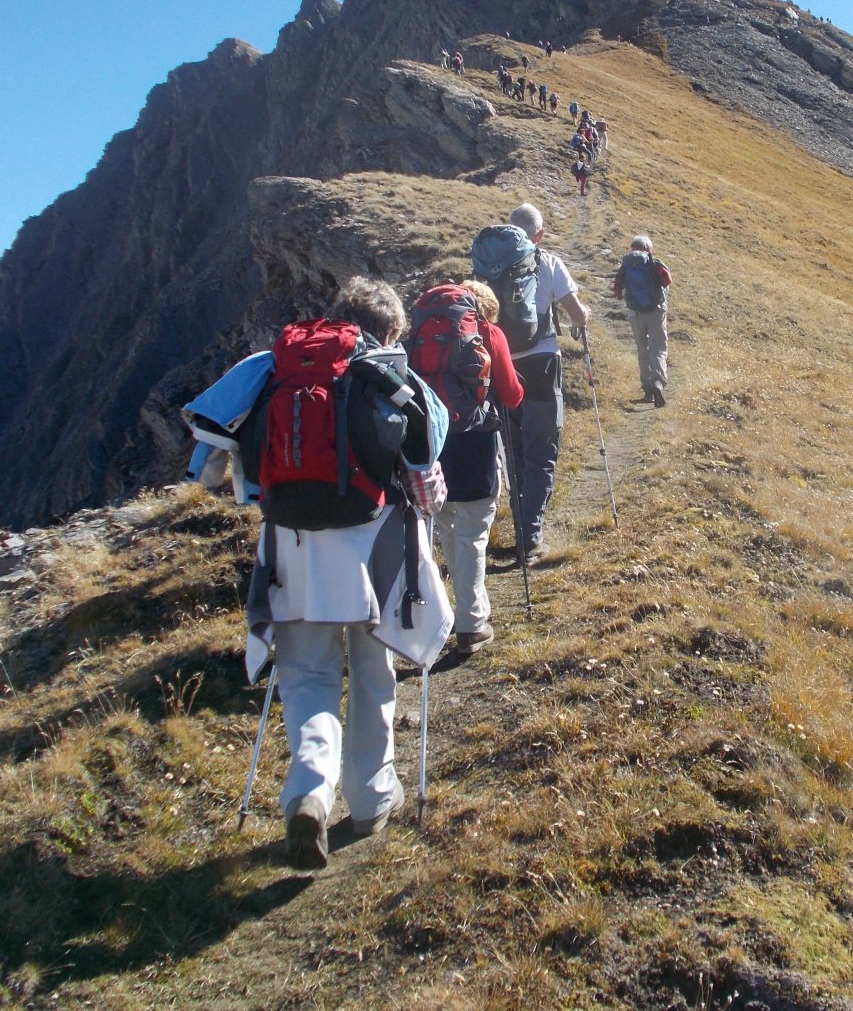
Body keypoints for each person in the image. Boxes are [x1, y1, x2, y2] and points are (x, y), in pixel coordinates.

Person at [188, 277, 449, 870]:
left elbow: (204, 450)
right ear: (390, 330)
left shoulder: (272, 363)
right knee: (373, 669)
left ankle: (309, 786)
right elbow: (428, 459)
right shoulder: (389, 369)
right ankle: (370, 795)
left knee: (305, 672)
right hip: (371, 545)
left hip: (291, 543)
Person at [430, 280, 523, 652]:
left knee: (449, 529)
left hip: (433, 444)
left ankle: (459, 613)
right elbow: (513, 396)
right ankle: (471, 622)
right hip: (476, 443)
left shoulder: (430, 336)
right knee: (473, 534)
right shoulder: (489, 332)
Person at [497, 204, 589, 560]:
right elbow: (577, 314)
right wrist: (586, 317)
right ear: (540, 234)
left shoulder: (493, 268)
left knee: (516, 451)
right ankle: (530, 536)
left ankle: (523, 526)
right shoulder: (548, 262)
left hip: (503, 365)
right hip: (542, 366)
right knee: (542, 451)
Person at [614, 235, 672, 406]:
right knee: (658, 349)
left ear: (633, 248)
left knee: (642, 350)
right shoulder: (654, 263)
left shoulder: (626, 266)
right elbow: (667, 280)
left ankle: (647, 390)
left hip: (635, 314)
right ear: (649, 248)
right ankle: (658, 383)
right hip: (656, 311)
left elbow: (617, 291)